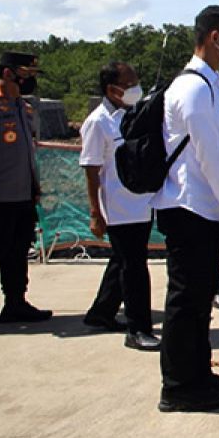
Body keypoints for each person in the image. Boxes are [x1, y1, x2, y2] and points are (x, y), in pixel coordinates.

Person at [150, 5, 219, 413]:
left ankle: (198, 372)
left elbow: (217, 151)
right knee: (186, 300)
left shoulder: (209, 85)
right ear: (214, 37)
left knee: (199, 297)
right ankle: (177, 386)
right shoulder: (193, 88)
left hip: (199, 205)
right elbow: (207, 155)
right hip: (190, 206)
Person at [79, 61, 160, 350]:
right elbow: (91, 169)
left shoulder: (134, 115)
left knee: (123, 261)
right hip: (118, 206)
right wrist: (95, 213)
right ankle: (138, 329)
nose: (136, 86)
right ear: (113, 89)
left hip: (141, 202)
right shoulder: (98, 122)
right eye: (130, 83)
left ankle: (101, 313)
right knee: (134, 267)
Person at [0, 51, 52, 323]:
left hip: (22, 194)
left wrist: (35, 186)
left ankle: (15, 302)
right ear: (8, 73)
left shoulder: (23, 108)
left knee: (17, 252)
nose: (29, 80)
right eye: (26, 74)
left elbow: (27, 152)